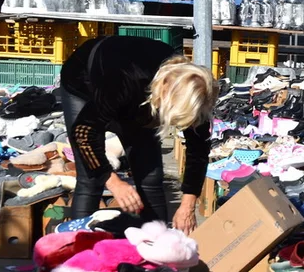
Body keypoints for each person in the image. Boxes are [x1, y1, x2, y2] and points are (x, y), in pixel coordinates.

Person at [59, 36, 215, 234]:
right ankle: (79, 249)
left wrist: (188, 204)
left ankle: (156, 247)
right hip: (84, 85)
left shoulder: (194, 90)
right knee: (91, 179)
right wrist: (113, 182)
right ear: (165, 96)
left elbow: (198, 147)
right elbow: (83, 133)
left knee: (151, 177)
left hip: (139, 95)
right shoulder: (122, 80)